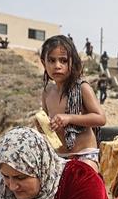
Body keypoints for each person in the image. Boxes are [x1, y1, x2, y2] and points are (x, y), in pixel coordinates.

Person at [36, 35, 107, 168]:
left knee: (82, 179)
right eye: (51, 60)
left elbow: (100, 118)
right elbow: (49, 123)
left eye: (63, 60)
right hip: (59, 156)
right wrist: (42, 126)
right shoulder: (47, 92)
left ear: (72, 62)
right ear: (43, 62)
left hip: (85, 155)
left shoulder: (82, 88)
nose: (57, 66)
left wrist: (69, 118)